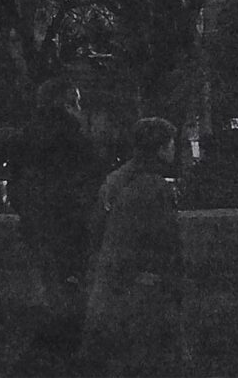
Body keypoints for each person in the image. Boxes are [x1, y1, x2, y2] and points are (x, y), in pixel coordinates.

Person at [83, 117, 184, 376]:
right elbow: (162, 238)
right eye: (171, 143)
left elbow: (98, 228)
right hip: (140, 283)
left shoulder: (117, 179)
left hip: (113, 280)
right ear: (161, 148)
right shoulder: (154, 185)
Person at [10, 80, 102, 364]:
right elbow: (91, 185)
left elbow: (16, 189)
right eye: (76, 103)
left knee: (50, 299)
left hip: (37, 231)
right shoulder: (76, 140)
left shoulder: (26, 139)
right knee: (72, 306)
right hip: (70, 233)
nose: (80, 109)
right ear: (64, 105)